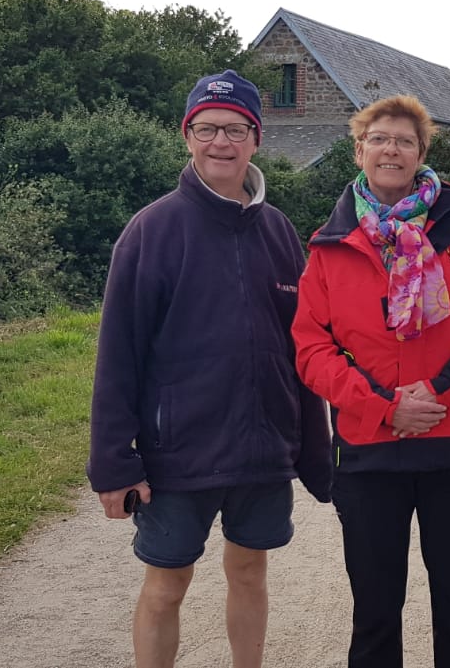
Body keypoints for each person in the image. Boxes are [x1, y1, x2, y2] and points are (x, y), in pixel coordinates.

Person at [86, 70, 332, 668]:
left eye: (236, 129)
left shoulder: (279, 232)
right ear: (187, 136)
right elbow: (118, 355)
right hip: (178, 453)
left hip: (261, 450)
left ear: (257, 139)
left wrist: (313, 448)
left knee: (249, 572)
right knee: (166, 586)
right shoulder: (151, 231)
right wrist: (114, 464)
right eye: (207, 129)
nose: (221, 142)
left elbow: (302, 348)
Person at [292, 94, 450, 668]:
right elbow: (312, 349)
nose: (390, 149)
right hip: (368, 452)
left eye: (404, 141)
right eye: (379, 139)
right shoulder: (329, 247)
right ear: (359, 151)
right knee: (374, 613)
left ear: (421, 154)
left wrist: (440, 391)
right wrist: (382, 406)